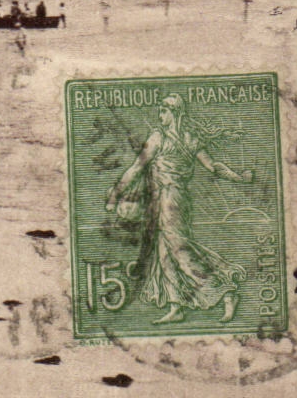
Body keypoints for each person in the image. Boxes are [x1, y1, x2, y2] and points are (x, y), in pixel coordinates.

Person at [105, 93, 254, 323]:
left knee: (179, 250)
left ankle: (226, 291)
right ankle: (176, 306)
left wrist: (115, 194)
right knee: (164, 253)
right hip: (170, 200)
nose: (160, 115)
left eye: (164, 111)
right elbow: (213, 167)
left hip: (170, 199)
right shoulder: (190, 138)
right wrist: (239, 178)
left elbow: (137, 168)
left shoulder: (159, 138)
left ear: (175, 113)